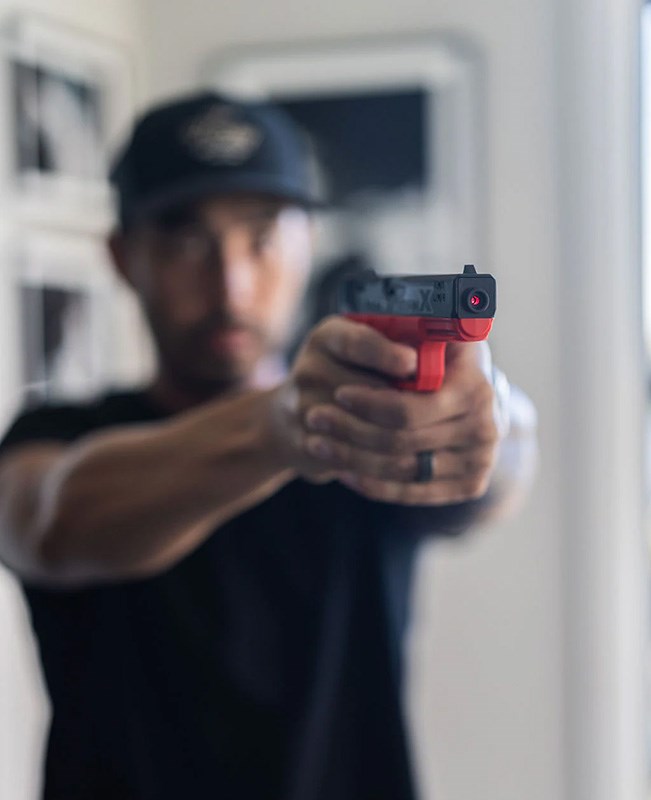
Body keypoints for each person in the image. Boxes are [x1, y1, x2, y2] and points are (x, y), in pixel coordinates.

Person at [0, 91, 536, 800]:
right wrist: (280, 427)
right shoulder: (58, 436)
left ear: (306, 243)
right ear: (123, 257)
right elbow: (47, 523)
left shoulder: (370, 419)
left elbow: (502, 462)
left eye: (262, 237)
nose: (231, 283)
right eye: (187, 241)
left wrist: (487, 418)